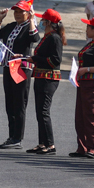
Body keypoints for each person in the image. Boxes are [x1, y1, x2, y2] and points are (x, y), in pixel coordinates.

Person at [0, 0, 40, 149]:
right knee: (10, 103)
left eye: (21, 11)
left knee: (19, 103)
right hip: (8, 67)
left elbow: (35, 38)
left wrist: (32, 19)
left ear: (28, 13)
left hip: (21, 69)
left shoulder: (29, 26)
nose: (18, 14)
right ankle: (11, 135)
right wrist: (0, 19)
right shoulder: (11, 26)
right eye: (16, 11)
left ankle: (17, 138)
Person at [69, 15, 94, 159]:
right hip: (83, 83)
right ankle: (82, 146)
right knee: (80, 115)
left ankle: (93, 148)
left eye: (89, 27)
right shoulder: (91, 43)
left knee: (91, 114)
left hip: (93, 83)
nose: (86, 29)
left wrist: (86, 69)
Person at [28, 8, 63, 154]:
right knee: (39, 111)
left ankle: (50, 144)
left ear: (48, 22)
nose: (41, 22)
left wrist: (35, 59)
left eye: (43, 20)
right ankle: (42, 142)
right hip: (41, 76)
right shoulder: (47, 36)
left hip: (49, 79)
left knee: (44, 111)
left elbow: (55, 60)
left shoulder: (54, 38)